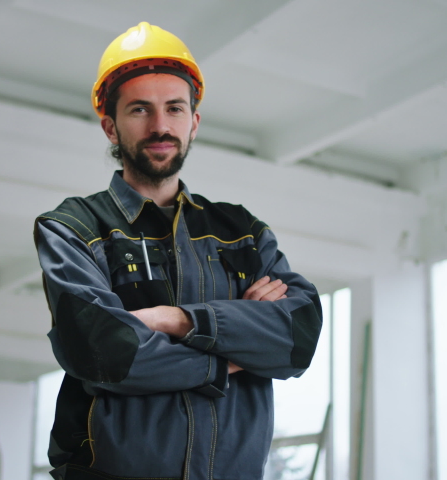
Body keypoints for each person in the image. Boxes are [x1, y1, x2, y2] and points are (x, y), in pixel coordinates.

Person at [34, 22, 323, 480]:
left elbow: (298, 337)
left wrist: (178, 320)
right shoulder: (73, 228)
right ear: (110, 125)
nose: (160, 125)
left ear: (194, 121)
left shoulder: (242, 231)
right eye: (139, 110)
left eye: (174, 108)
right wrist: (236, 353)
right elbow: (107, 355)